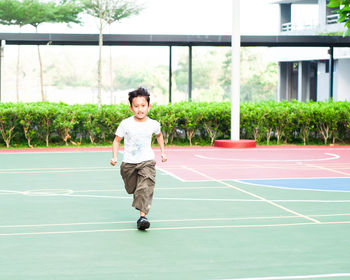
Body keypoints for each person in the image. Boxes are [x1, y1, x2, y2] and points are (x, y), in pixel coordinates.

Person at [110, 87, 167, 231]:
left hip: (147, 161)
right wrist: (115, 156)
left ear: (149, 106)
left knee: (146, 187)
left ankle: (143, 218)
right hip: (129, 163)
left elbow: (159, 135)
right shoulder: (126, 123)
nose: (140, 109)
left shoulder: (153, 124)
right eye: (136, 106)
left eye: (143, 106)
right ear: (131, 108)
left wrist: (162, 152)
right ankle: (138, 194)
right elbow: (117, 140)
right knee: (132, 189)